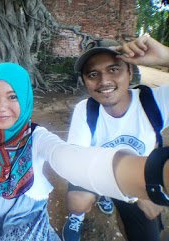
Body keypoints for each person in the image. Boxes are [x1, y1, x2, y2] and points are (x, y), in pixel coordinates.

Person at [0, 61, 169, 241]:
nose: (1, 107)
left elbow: (67, 157)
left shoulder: (37, 137)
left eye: (13, 97)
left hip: (28, 213)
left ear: (25, 99)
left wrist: (149, 176)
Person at [62, 35, 169, 241]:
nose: (104, 81)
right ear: (85, 82)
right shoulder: (86, 110)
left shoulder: (153, 102)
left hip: (138, 179)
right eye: (93, 74)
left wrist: (166, 56)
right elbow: (74, 163)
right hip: (107, 177)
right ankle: (85, 210)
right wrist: (138, 194)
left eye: (113, 69)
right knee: (78, 201)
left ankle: (107, 194)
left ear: (130, 71)